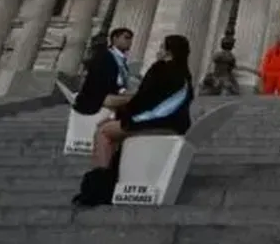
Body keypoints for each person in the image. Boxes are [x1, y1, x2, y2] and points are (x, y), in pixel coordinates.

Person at [72, 34, 195, 207]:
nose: (158, 51)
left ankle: (99, 188)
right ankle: (114, 175)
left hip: (155, 124)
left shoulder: (160, 69)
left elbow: (142, 102)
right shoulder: (184, 73)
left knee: (103, 133)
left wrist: (120, 117)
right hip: (175, 125)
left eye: (161, 47)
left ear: (169, 52)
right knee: (112, 130)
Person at [73, 27, 133, 116]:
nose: (130, 41)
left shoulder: (121, 60)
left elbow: (119, 83)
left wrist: (125, 91)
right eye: (126, 38)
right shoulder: (104, 56)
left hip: (110, 96)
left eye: (131, 39)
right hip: (98, 99)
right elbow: (101, 83)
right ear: (115, 39)